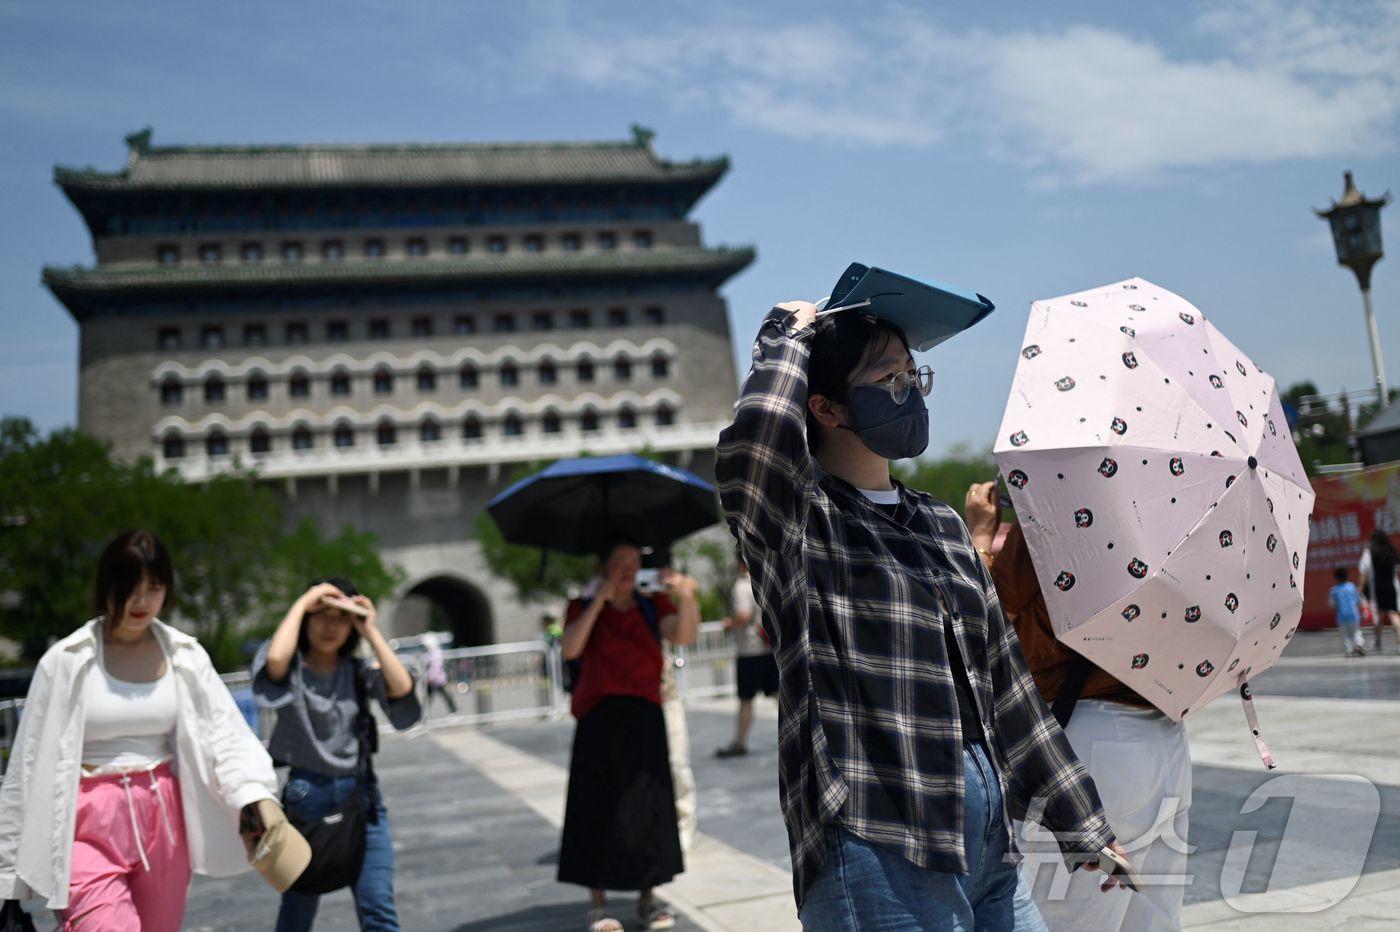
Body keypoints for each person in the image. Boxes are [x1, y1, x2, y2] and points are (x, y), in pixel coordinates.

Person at [715, 301, 1130, 930]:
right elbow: (755, 443)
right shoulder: (801, 521)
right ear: (826, 407)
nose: (909, 390)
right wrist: (787, 336)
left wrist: (1080, 816)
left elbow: (1006, 682)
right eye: (889, 379)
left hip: (988, 835)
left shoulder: (940, 524)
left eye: (914, 375)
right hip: (879, 838)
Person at [0, 530, 281, 930]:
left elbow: (225, 735)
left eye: (154, 587)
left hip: (164, 816)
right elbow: (26, 766)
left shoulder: (185, 655)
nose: (142, 600)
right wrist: (8, 875)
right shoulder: (65, 660)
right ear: (107, 587)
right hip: (86, 819)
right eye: (130, 586)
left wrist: (257, 797)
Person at [965, 483, 1191, 932]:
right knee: (1153, 920)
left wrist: (979, 538)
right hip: (1165, 734)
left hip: (1087, 738)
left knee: (1067, 919)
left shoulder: (1060, 502)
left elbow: (982, 619)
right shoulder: (1181, 505)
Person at [254, 578, 421, 932]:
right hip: (306, 797)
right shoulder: (294, 670)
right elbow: (275, 660)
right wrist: (304, 601)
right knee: (297, 914)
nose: (330, 626)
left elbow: (401, 687)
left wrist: (371, 630)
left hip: (362, 800)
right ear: (307, 620)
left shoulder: (358, 672)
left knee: (378, 908)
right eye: (321, 615)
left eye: (340, 618)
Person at [557, 538, 701, 932]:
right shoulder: (582, 605)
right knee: (595, 807)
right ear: (603, 566)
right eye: (619, 561)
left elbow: (683, 635)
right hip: (598, 716)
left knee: (648, 809)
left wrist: (687, 597)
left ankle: (648, 898)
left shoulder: (652, 606)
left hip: (644, 714)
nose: (627, 569)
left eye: (635, 561)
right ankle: (599, 905)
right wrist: (597, 603)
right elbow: (571, 649)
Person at [715, 553, 777, 758]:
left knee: (746, 699)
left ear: (740, 563)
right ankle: (804, 731)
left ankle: (739, 743)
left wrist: (729, 625)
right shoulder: (766, 579)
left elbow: (743, 615)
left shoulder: (742, 586)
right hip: (768, 648)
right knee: (779, 695)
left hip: (750, 650)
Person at [1358, 529, 1400, 653]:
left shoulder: (1369, 551)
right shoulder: (1391, 550)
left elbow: (1363, 571)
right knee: (1394, 615)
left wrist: (1360, 588)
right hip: (1392, 586)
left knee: (1379, 617)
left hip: (1377, 588)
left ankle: (1378, 644)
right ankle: (1399, 643)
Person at [1330, 567, 1366, 658]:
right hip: (1354, 615)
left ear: (1336, 578)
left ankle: (1348, 651)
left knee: (1344, 635)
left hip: (1341, 617)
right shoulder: (1352, 586)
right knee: (1356, 632)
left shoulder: (1334, 590)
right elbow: (1358, 600)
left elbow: (1332, 604)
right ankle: (1358, 645)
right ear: (1347, 576)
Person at [420, 632, 458, 715]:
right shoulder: (429, 652)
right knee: (429, 697)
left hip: (438, 679)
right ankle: (423, 714)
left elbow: (436, 666)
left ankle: (453, 711)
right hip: (433, 680)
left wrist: (430, 677)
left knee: (445, 696)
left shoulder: (436, 652)